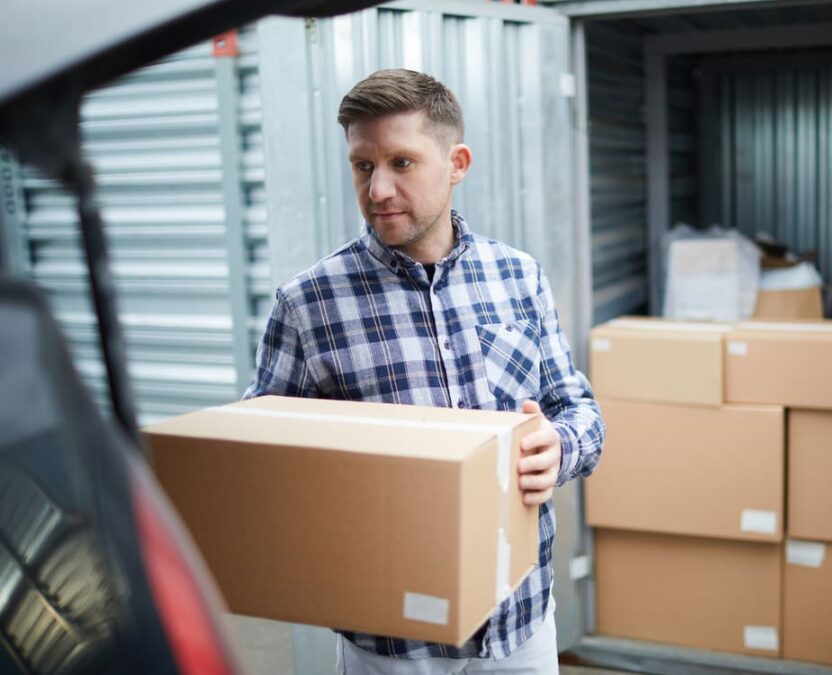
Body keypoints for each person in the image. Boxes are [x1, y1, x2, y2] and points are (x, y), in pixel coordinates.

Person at [244, 68, 604, 674]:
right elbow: (261, 461)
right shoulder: (308, 304)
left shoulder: (519, 277)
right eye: (363, 166)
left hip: (519, 627)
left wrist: (558, 448)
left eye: (401, 163)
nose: (378, 187)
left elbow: (581, 414)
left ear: (456, 162)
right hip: (389, 645)